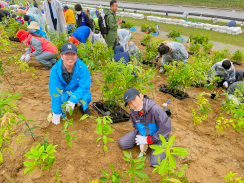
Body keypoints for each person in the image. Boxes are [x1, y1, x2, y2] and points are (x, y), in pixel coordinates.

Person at [119, 88, 171, 166]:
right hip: (144, 133)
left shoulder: (155, 110)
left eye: (134, 99)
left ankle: (159, 146)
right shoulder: (133, 111)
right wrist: (141, 137)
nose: (133, 104)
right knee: (123, 143)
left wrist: (148, 140)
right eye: (130, 103)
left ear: (141, 96)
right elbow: (136, 127)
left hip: (159, 137)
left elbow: (165, 129)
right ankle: (147, 142)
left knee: (155, 163)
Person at [49, 43, 92, 125]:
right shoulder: (55, 69)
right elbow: (55, 91)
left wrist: (72, 100)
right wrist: (56, 112)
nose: (70, 57)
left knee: (86, 95)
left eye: (73, 54)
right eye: (67, 54)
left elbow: (84, 87)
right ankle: (65, 104)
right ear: (61, 56)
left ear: (76, 56)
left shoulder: (82, 67)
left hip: (77, 90)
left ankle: (83, 106)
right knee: (61, 109)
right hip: (64, 91)